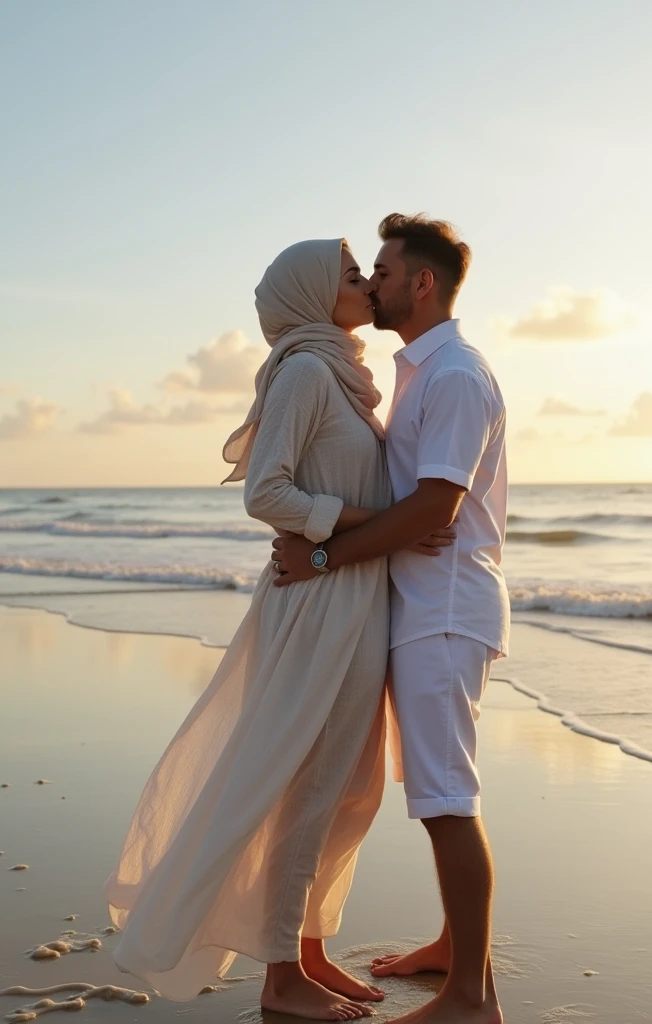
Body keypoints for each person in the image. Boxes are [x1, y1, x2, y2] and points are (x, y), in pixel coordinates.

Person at [105, 237, 450, 1020]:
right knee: (311, 783)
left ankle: (309, 950)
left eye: (367, 271)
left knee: (346, 786)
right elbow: (268, 493)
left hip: (352, 596)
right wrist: (379, 521)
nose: (365, 283)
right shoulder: (303, 371)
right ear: (307, 295)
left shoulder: (341, 375)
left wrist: (365, 532)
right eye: (350, 274)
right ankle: (280, 978)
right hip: (321, 603)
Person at [272, 214, 510, 1024]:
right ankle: (454, 947)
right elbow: (410, 506)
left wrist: (322, 556)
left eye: (381, 269)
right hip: (419, 605)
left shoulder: (453, 378)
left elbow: (432, 509)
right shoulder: (416, 370)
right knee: (437, 789)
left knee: (446, 797)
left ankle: (472, 996)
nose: (370, 282)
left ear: (423, 283)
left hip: (443, 607)